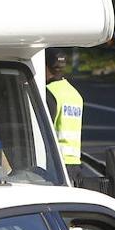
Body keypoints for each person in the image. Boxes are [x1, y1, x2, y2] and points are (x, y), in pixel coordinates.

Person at [45, 48, 84, 185]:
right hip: (75, 162)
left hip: (56, 163)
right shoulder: (75, 94)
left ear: (45, 67)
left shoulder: (49, 93)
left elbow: (43, 129)